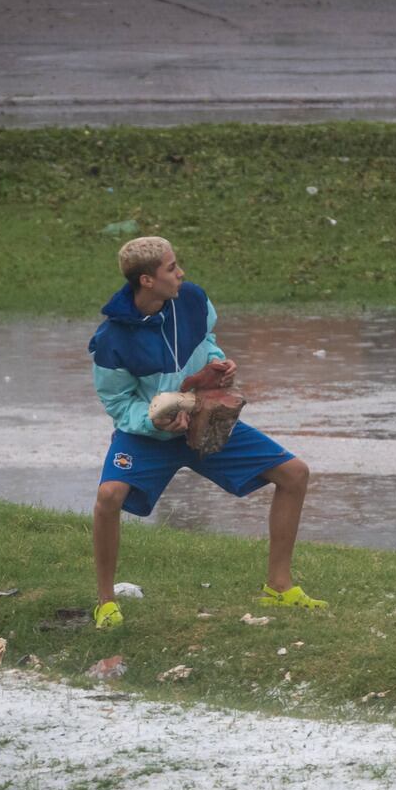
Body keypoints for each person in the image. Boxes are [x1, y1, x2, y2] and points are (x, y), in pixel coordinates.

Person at [88, 236, 326, 629]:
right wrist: (154, 420)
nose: (180, 273)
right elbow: (117, 404)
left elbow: (208, 343)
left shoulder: (193, 299)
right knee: (108, 497)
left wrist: (219, 364)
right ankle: (106, 602)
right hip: (148, 437)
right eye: (171, 268)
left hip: (205, 419)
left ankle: (279, 586)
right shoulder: (111, 340)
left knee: (294, 474)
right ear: (146, 280)